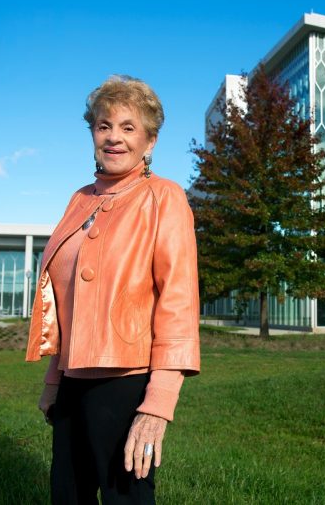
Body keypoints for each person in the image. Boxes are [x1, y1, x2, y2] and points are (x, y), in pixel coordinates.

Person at [26, 74, 200, 504]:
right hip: (72, 383)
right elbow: (67, 303)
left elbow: (177, 302)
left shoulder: (164, 197)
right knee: (67, 495)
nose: (114, 138)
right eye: (104, 126)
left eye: (128, 127)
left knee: (127, 498)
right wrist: (54, 380)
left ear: (150, 141)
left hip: (127, 383)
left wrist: (158, 403)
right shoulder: (79, 199)